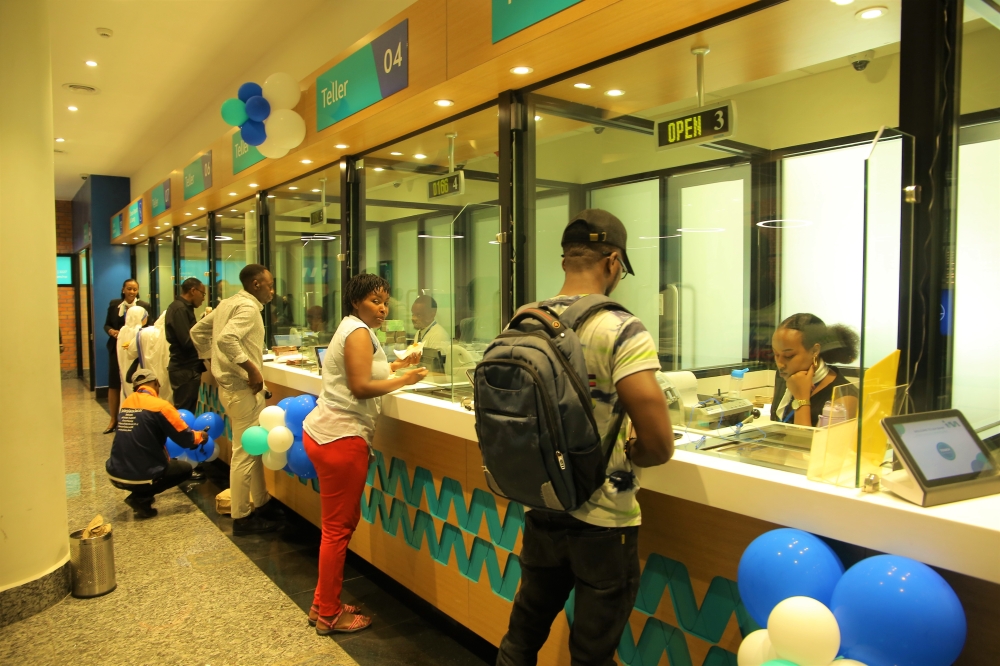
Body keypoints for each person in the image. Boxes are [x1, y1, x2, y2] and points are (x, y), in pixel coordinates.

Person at [495, 209, 675, 666]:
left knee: (522, 636)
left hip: (543, 503)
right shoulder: (621, 328)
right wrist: (634, 450)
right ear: (613, 262)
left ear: (564, 260)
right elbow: (658, 443)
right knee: (592, 654)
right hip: (604, 518)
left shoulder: (523, 321)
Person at [302, 273, 426, 635]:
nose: (383, 308)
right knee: (337, 531)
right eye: (375, 300)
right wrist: (405, 380)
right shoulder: (357, 332)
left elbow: (363, 372)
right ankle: (329, 615)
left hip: (328, 433)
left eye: (385, 301)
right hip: (341, 438)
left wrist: (397, 367)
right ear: (356, 302)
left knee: (337, 527)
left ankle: (322, 602)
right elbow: (359, 387)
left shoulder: (353, 328)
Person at [191, 264, 284, 535]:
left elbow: (198, 333)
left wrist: (214, 363)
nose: (272, 290)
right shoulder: (247, 308)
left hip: (231, 388)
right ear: (256, 284)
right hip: (242, 390)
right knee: (244, 453)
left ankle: (262, 501)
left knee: (252, 448)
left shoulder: (226, 304)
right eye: (269, 284)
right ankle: (242, 516)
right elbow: (227, 339)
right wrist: (250, 368)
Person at [105, 368, 208, 519]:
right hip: (138, 475)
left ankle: (140, 491)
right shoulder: (160, 406)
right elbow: (187, 440)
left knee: (156, 459)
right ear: (156, 383)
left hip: (114, 472)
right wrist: (201, 436)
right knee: (184, 469)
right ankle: (141, 498)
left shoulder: (127, 402)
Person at [771, 313, 860, 426]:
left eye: (788, 356)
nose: (780, 364)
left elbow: (802, 441)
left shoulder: (844, 397)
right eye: (775, 354)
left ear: (814, 351)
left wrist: (801, 399)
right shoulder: (786, 375)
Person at [103, 278, 151, 433]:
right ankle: (113, 420)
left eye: (135, 289)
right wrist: (112, 331)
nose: (132, 292)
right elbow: (107, 324)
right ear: (123, 289)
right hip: (116, 349)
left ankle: (133, 419)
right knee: (114, 383)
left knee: (133, 382)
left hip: (136, 351)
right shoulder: (114, 305)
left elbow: (150, 326)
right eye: (129, 289)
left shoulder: (144, 306)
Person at [165, 278, 207, 413]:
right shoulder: (180, 309)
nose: (203, 299)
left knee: (186, 410)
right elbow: (187, 342)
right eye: (203, 294)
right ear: (193, 291)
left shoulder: (183, 308)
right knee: (184, 413)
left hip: (187, 368)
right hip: (185, 368)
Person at [116, 305, 148, 401]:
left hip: (123, 365)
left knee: (126, 388)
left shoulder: (122, 330)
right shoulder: (139, 331)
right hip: (135, 366)